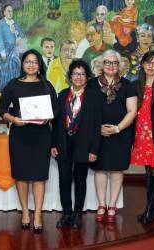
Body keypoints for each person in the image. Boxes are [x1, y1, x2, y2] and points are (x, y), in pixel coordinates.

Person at [0, 49, 58, 234]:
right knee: (22, 175)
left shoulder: (47, 85)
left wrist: (48, 118)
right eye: (27, 62)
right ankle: (25, 212)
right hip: (20, 136)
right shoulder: (13, 84)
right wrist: (13, 119)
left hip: (41, 135)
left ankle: (38, 214)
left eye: (34, 62)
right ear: (22, 64)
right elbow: (2, 110)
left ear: (39, 65)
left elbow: (55, 111)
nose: (31, 65)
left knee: (39, 176)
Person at [87, 49, 137, 223]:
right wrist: (96, 129)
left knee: (117, 169)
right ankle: (101, 204)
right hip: (98, 134)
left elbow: (132, 112)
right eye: (107, 62)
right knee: (100, 168)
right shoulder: (91, 84)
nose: (111, 66)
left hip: (120, 134)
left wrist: (116, 129)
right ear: (101, 65)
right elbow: (87, 110)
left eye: (114, 63)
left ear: (119, 66)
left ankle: (113, 204)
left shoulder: (128, 85)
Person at [51, 59, 101, 229]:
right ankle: (67, 213)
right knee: (64, 179)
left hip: (84, 144)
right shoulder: (63, 94)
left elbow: (96, 125)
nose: (78, 77)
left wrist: (94, 149)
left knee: (80, 180)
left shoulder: (94, 96)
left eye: (82, 74)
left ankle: (78, 214)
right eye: (75, 73)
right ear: (70, 76)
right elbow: (56, 122)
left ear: (87, 77)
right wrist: (53, 145)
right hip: (63, 143)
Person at [130, 51, 154, 224]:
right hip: (140, 134)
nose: (151, 66)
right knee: (148, 170)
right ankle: (151, 207)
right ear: (142, 64)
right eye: (148, 62)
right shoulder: (136, 85)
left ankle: (150, 208)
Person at [0, 4, 27, 92]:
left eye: (11, 11)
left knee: (17, 70)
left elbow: (21, 34)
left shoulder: (14, 23)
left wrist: (19, 38)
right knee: (6, 71)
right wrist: (2, 52)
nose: (10, 13)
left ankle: (15, 89)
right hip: (7, 52)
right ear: (4, 12)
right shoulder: (1, 23)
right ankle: (5, 91)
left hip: (16, 52)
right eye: (8, 11)